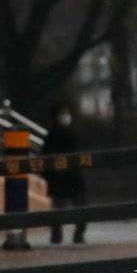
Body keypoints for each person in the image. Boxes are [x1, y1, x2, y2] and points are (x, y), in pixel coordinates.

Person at [41, 103, 86, 244]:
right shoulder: (53, 135)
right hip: (61, 179)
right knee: (62, 209)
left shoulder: (70, 133)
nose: (66, 117)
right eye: (62, 113)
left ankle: (72, 235)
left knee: (79, 208)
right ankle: (60, 236)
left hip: (69, 179)